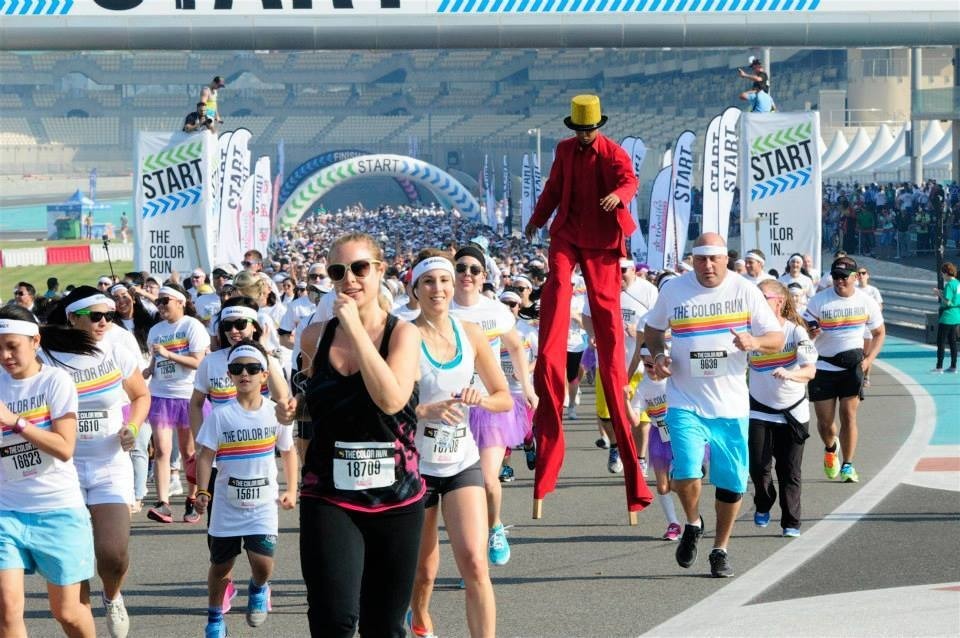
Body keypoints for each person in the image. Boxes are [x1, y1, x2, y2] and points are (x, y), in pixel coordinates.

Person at [277, 232, 424, 637]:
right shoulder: (314, 336)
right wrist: (292, 408)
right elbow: (311, 404)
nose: (349, 280)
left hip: (396, 497)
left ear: (380, 270)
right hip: (329, 494)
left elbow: (391, 400)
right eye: (338, 272)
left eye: (359, 268)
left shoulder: (403, 334)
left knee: (383, 626)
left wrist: (356, 330)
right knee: (333, 620)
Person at [523, 94, 652, 516]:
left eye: (588, 129)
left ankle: (610, 353)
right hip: (567, 230)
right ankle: (552, 345)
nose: (583, 135)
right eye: (579, 130)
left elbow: (630, 180)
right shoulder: (563, 150)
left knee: (603, 302)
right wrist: (537, 219)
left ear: (597, 127)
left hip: (600, 237)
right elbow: (552, 189)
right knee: (559, 283)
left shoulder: (612, 152)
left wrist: (618, 196)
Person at [644, 233, 784, 578]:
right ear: (692, 259)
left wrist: (755, 341)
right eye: (701, 259)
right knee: (685, 472)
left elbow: (776, 337)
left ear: (725, 259)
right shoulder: (673, 290)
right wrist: (659, 356)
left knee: (731, 483)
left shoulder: (745, 290)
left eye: (714, 259)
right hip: (684, 399)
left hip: (730, 406)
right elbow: (652, 329)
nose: (707, 265)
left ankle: (720, 549)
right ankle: (693, 523)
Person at [408, 252, 512, 638]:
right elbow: (386, 405)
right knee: (424, 571)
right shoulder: (403, 336)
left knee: (475, 563)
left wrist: (480, 399)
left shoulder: (469, 333)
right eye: (428, 281)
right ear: (415, 289)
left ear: (453, 286)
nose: (437, 289)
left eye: (444, 281)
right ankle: (419, 620)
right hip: (416, 466)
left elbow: (503, 397)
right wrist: (424, 410)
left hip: (461, 462)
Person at [42, 288, 149, 638]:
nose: (104, 322)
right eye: (96, 316)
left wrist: (133, 427)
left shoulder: (116, 350)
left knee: (113, 553)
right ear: (73, 318)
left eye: (109, 316)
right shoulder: (45, 356)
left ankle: (113, 595)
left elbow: (140, 395)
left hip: (109, 463)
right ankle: (84, 620)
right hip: (62, 468)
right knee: (75, 556)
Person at [0, 306, 99, 638]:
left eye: (12, 346)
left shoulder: (55, 381)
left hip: (57, 510)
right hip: (6, 511)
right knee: (7, 609)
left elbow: (64, 447)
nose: (5, 355)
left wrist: (16, 422)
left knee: (67, 612)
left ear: (35, 341)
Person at [195, 340, 298, 638]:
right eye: (237, 368)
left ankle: (258, 588)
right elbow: (205, 456)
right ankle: (215, 619)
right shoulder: (220, 415)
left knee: (263, 564)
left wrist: (291, 489)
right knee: (220, 566)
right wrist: (202, 491)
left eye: (253, 369)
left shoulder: (276, 413)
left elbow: (288, 452)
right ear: (229, 375)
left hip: (263, 504)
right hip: (226, 505)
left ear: (264, 375)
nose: (245, 374)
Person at [449, 244, 536, 566]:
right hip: (452, 407)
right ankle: (472, 555)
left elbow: (516, 347)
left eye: (474, 269)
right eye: (461, 268)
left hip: (490, 405)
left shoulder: (495, 311)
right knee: (459, 489)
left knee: (487, 480)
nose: (467, 274)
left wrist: (527, 388)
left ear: (483, 275)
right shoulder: (442, 309)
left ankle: (495, 526)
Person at [804, 256, 885, 484]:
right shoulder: (818, 301)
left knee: (849, 416)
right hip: (823, 366)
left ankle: (848, 464)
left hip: (852, 366)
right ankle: (831, 448)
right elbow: (804, 329)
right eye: (835, 276)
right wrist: (810, 332)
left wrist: (868, 360)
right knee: (825, 422)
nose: (839, 281)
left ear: (855, 277)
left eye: (844, 277)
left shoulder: (866, 301)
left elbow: (879, 333)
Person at [747, 280, 817, 538]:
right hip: (759, 409)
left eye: (762, 297)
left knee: (789, 471)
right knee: (758, 467)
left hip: (793, 411)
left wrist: (790, 374)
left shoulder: (796, 332)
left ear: (780, 301)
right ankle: (764, 501)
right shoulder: (749, 333)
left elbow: (810, 370)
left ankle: (791, 522)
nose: (756, 302)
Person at [143, 284, 210, 524]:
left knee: (188, 452)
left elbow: (198, 362)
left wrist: (168, 354)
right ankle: (163, 503)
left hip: (187, 395)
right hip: (160, 394)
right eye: (158, 302)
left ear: (180, 302)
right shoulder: (156, 330)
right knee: (162, 449)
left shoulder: (192, 326)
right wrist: (149, 369)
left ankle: (192, 499)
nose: (160, 306)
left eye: (165, 301)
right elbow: (156, 358)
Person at [626, 346, 685, 541]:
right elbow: (635, 421)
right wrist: (624, 401)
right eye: (647, 365)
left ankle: (694, 520)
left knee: (681, 482)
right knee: (662, 485)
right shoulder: (643, 387)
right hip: (659, 436)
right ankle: (673, 524)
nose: (651, 369)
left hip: (681, 432)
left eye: (654, 365)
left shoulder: (674, 377)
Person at [932, 262, 959, 373]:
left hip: (947, 316)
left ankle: (939, 367)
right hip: (956, 315)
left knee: (941, 342)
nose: (942, 276)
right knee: (953, 342)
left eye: (942, 274)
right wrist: (942, 292)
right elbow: (953, 297)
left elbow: (947, 302)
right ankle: (953, 366)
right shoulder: (957, 283)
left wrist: (939, 294)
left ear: (946, 273)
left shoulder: (949, 285)